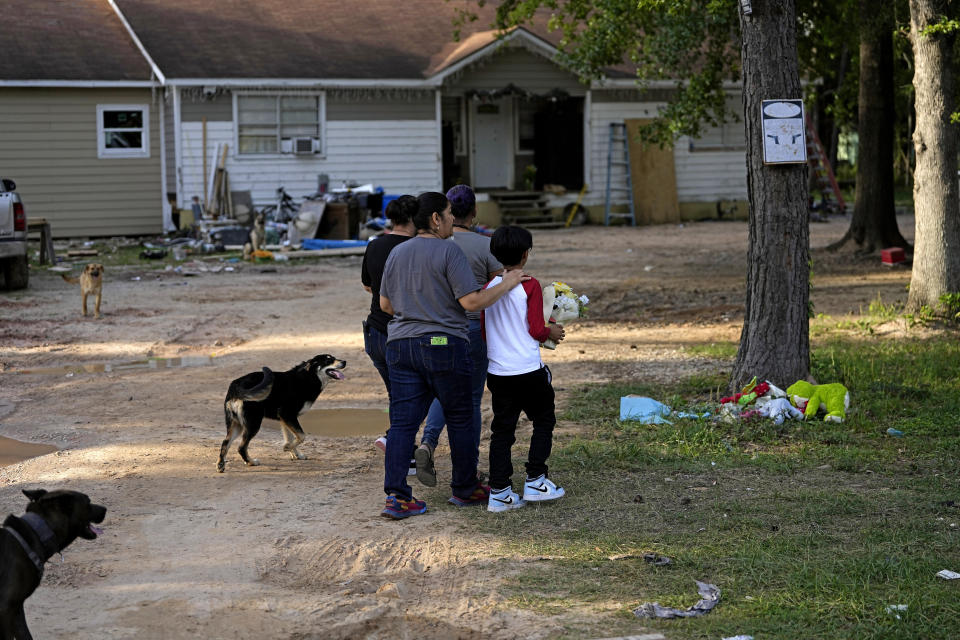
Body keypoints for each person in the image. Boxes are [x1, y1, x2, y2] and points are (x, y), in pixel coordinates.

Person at [377, 192, 527, 519]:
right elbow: (471, 303)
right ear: (436, 219)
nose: (450, 220)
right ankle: (464, 488)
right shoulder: (449, 250)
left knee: (402, 424)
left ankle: (397, 498)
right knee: (460, 415)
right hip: (444, 344)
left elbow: (385, 306)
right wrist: (508, 281)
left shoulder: (396, 251)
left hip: (400, 346)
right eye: (447, 214)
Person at [415, 185, 503, 488]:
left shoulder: (433, 245)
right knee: (472, 399)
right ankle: (470, 468)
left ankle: (427, 441)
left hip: (437, 330)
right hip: (472, 329)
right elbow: (501, 287)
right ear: (475, 212)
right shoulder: (485, 246)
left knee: (443, 390)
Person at [482, 225, 566, 513]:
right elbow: (536, 328)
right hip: (528, 370)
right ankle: (536, 480)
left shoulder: (488, 288)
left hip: (498, 372)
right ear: (526, 254)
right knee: (543, 420)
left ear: (494, 254)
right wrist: (551, 332)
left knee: (502, 431)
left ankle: (500, 492)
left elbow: (483, 331)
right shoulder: (530, 285)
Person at [360, 195, 419, 474]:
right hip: (403, 333)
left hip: (374, 333)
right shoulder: (415, 248)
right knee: (415, 394)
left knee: (398, 394)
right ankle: (397, 444)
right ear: (413, 219)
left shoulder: (374, 245)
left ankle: (399, 444)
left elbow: (368, 287)